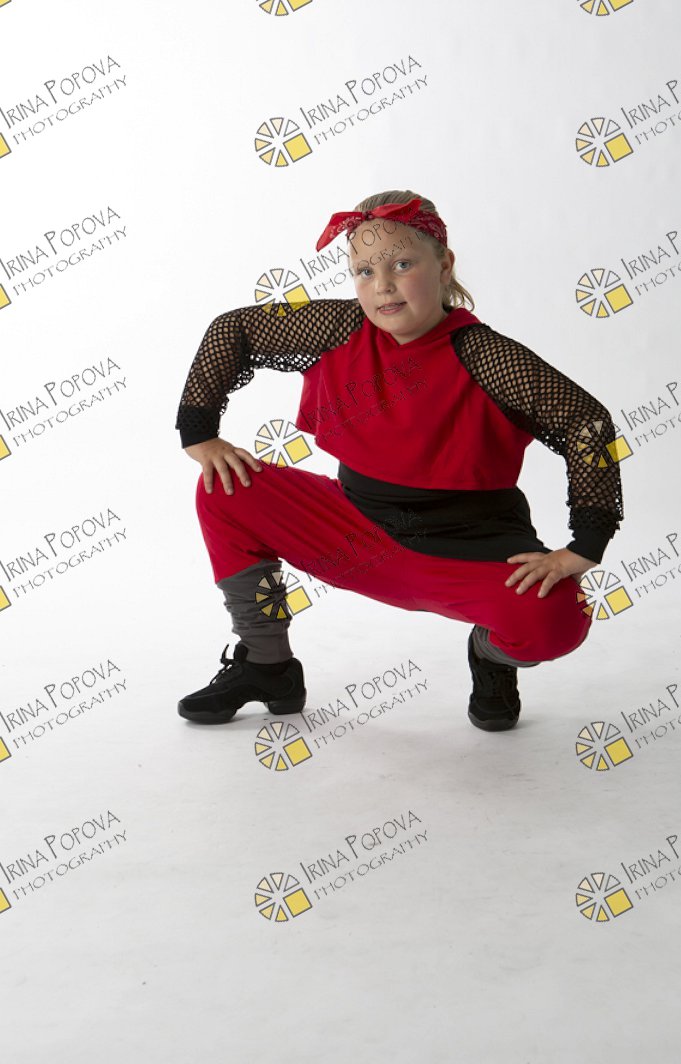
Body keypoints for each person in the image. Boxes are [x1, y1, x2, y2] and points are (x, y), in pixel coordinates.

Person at [174, 190, 624, 731]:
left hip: (467, 550)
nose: (382, 285)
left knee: (560, 618)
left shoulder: (485, 356)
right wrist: (199, 434)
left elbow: (586, 422)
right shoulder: (340, 327)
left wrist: (585, 546)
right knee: (224, 486)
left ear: (445, 265)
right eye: (364, 271)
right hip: (355, 530)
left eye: (402, 265)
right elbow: (234, 329)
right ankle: (267, 665)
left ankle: (490, 656)